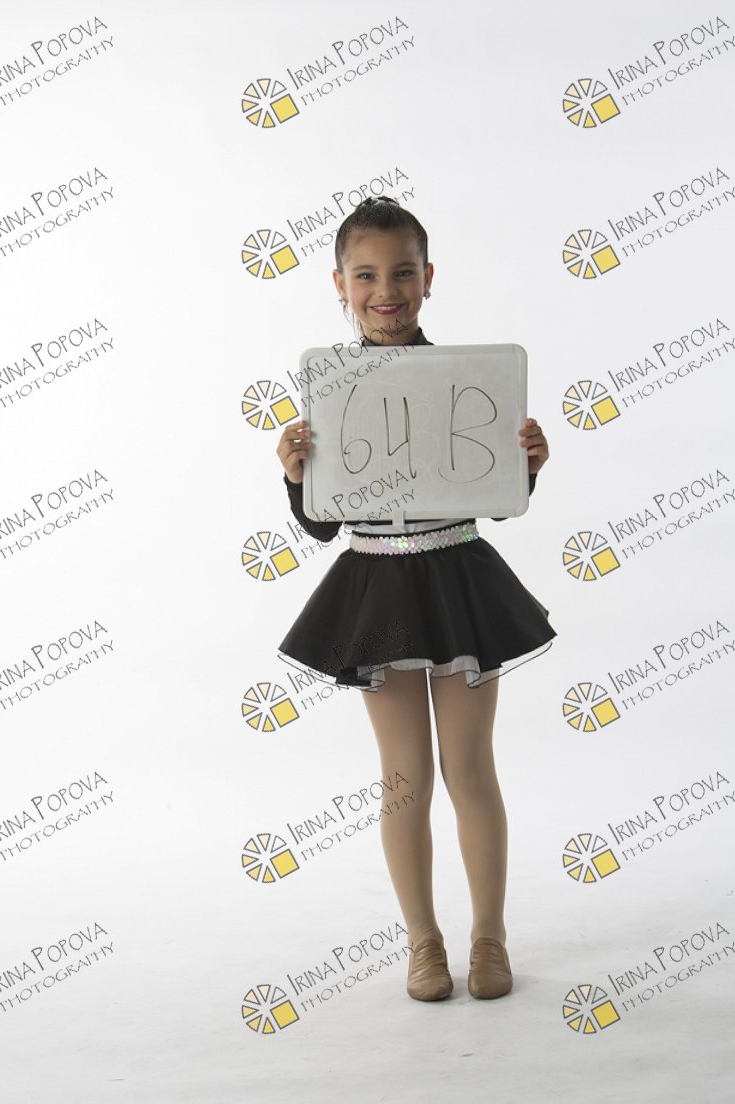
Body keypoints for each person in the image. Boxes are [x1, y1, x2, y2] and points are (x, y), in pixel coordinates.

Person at [275, 196, 556, 1002]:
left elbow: (494, 493)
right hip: (377, 590)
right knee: (405, 776)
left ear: (428, 278)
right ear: (340, 284)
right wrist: (296, 476)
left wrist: (526, 462)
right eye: (365, 275)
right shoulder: (331, 387)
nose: (385, 291)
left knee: (469, 767)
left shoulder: (469, 378)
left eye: (402, 273)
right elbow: (323, 524)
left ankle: (489, 934)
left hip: (460, 582)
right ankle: (423, 942)